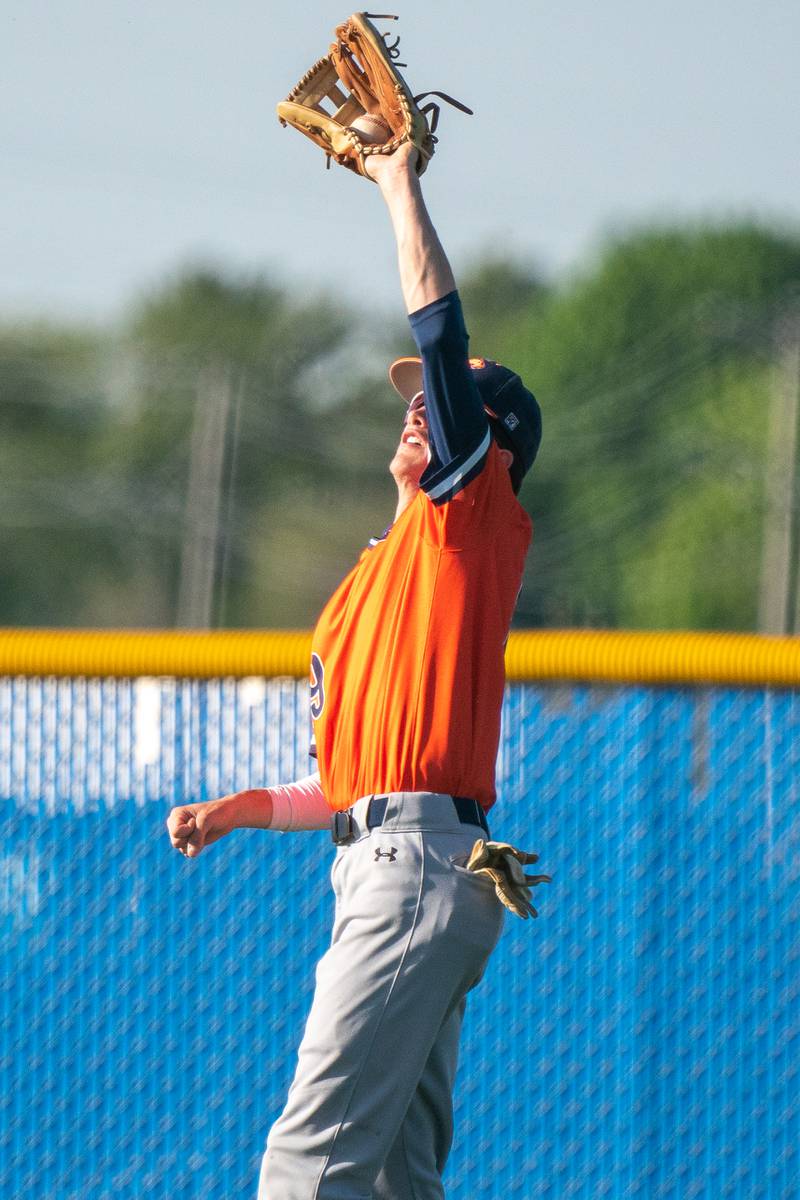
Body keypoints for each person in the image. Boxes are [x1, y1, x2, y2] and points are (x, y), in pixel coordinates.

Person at [166, 141, 543, 1199]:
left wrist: (395, 184)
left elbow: (437, 321)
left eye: (443, 400)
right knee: (389, 1182)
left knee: (304, 1167)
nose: (417, 405)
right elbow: (345, 781)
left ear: (491, 444)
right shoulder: (364, 586)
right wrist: (242, 808)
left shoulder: (469, 527)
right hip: (391, 864)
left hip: (418, 869)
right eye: (416, 397)